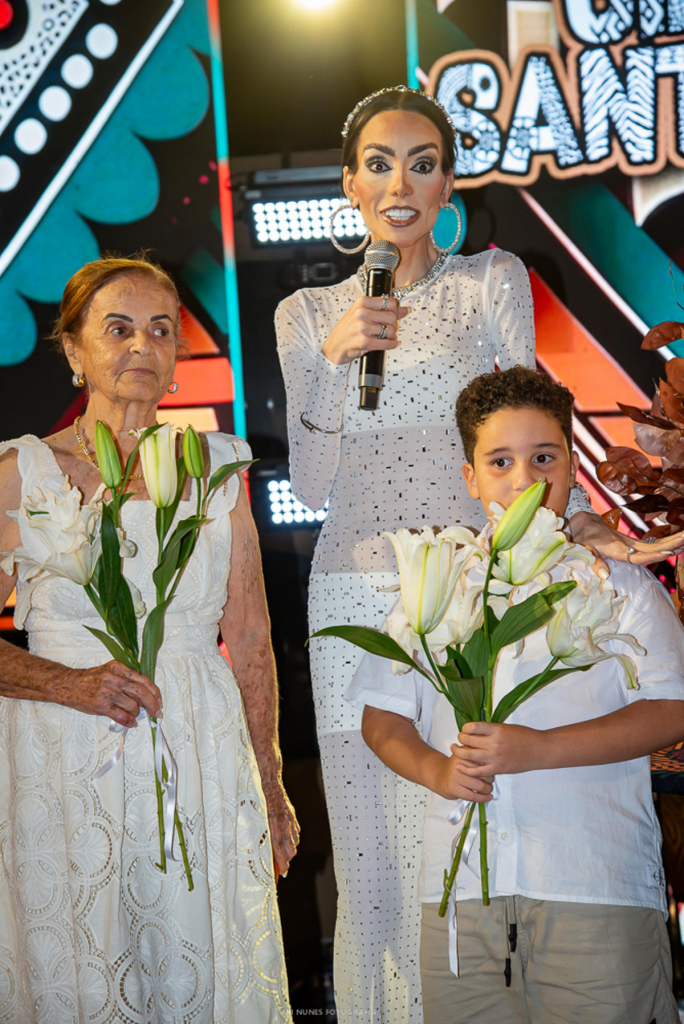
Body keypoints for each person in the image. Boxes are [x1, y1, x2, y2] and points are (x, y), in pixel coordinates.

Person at [275, 85, 681, 1022]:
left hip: (473, 580)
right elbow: (311, 486)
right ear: (350, 184)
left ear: (448, 179)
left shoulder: (488, 280)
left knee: (464, 814)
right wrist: (338, 362)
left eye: (423, 162)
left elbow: (526, 423)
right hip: (354, 596)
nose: (401, 182)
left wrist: (564, 517)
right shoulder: (306, 314)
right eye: (379, 162)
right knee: (375, 846)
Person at [0, 256, 297, 1024]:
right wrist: (68, 683)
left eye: (161, 330)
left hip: (198, 743)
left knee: (197, 958)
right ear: (72, 351)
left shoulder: (218, 468)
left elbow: (252, 638)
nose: (143, 346)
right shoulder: (23, 472)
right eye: (119, 328)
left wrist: (268, 780)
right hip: (63, 753)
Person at [348, 366, 684, 1024]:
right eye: (501, 461)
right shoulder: (436, 580)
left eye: (543, 457)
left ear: (571, 463)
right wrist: (437, 771)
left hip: (593, 881)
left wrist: (538, 748)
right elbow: (382, 721)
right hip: (459, 897)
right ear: (470, 476)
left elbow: (672, 708)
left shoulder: (619, 582)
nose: (525, 480)